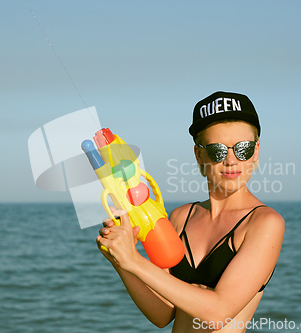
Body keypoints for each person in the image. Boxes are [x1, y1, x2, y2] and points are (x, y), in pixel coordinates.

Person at [96, 91, 285, 332]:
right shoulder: (180, 217)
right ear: (199, 154)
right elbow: (163, 314)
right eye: (217, 150)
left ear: (256, 151)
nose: (231, 161)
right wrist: (121, 258)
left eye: (243, 148)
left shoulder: (264, 222)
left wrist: (134, 262)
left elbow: (218, 312)